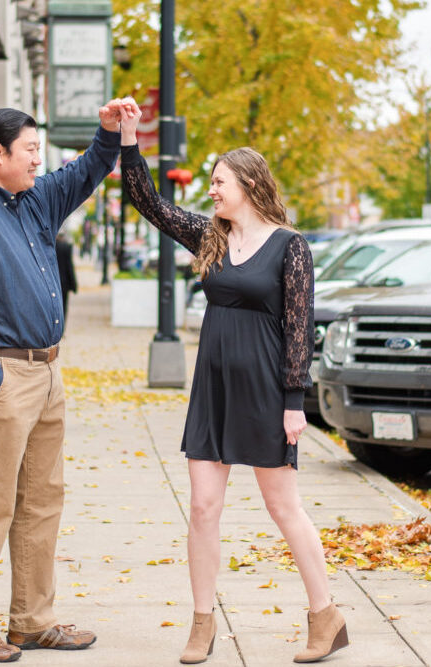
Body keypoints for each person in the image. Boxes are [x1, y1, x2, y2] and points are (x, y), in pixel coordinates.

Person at [118, 108, 348, 664]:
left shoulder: (290, 246)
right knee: (202, 507)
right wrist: (128, 138)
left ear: (247, 184)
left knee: (283, 507)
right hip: (214, 388)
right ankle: (202, 623)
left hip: (268, 391)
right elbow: (148, 203)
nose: (211, 191)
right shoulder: (209, 237)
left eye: (219, 182)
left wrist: (296, 402)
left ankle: (326, 615)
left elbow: (300, 326)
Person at [0, 99, 137, 663]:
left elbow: (85, 172)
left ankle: (31, 620)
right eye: (29, 150)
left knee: (43, 501)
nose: (37, 160)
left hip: (48, 373)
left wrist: (107, 134)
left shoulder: (34, 200)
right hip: (8, 378)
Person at [55, 231, 78, 326]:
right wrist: (73, 284)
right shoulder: (67, 247)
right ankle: (62, 327)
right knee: (64, 305)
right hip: (64, 282)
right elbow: (69, 266)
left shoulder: (52, 246)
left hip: (53, 281)